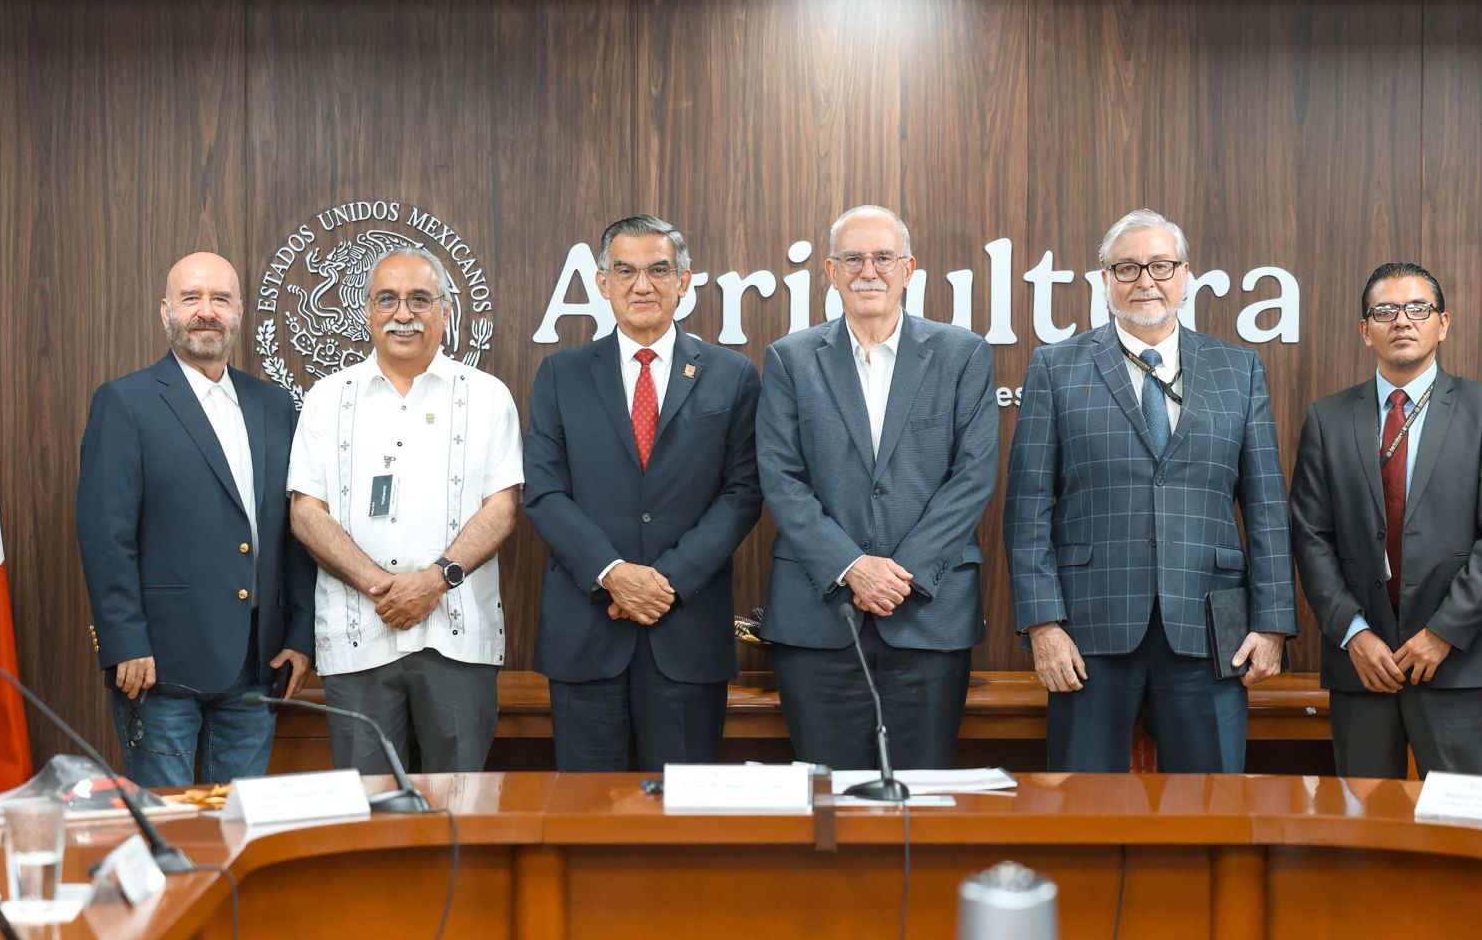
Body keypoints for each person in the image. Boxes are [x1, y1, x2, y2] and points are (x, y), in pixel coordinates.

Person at [1005, 208, 1294, 774]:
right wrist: (1043, 626)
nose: (1145, 281)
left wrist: (1273, 623)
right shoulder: (1056, 368)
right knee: (1082, 806)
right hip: (1087, 632)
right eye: (1128, 268)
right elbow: (1027, 508)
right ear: (1104, 279)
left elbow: (1266, 507)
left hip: (1211, 630)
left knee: (1211, 806)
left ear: (1185, 275)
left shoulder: (1238, 369)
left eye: (1160, 266)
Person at [756, 204, 998, 770]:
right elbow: (781, 478)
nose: (869, 271)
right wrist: (852, 567)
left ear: (908, 268)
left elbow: (973, 475)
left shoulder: (962, 354)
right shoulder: (790, 359)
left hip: (928, 614)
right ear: (831, 271)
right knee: (827, 797)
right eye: (854, 259)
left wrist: (898, 573)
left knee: (920, 797)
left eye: (884, 257)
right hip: (819, 616)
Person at [523, 215, 762, 771]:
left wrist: (666, 581)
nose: (642, 285)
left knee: (683, 812)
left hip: (687, 630)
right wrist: (613, 574)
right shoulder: (560, 374)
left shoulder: (731, 375)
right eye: (625, 271)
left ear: (684, 281)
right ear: (602, 283)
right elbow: (544, 491)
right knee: (586, 808)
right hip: (587, 630)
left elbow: (744, 492)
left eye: (658, 270)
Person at [77, 251, 314, 787]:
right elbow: (106, 536)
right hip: (159, 666)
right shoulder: (125, 402)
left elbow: (294, 530)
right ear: (166, 311)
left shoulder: (275, 405)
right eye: (191, 298)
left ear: (239, 312)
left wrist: (300, 634)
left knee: (239, 820)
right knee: (168, 821)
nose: (206, 311)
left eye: (220, 299)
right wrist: (124, 641)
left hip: (258, 662)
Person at [1290, 262, 1482, 778]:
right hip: (1362, 666)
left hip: (1456, 663)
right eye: (1385, 311)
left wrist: (1442, 632)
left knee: (1462, 821)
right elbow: (1311, 537)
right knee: (1364, 820)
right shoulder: (1327, 419)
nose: (1402, 320)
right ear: (1365, 330)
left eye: (1418, 308)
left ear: (1442, 323)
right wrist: (1353, 633)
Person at [288, 247, 521, 774]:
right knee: (369, 807)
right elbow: (306, 512)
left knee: (461, 801)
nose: (403, 314)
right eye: (387, 299)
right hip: (357, 637)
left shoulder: (487, 396)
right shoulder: (327, 398)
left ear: (444, 311)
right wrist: (382, 588)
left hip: (458, 638)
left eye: (419, 299)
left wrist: (434, 582)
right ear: (367, 310)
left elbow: (503, 508)